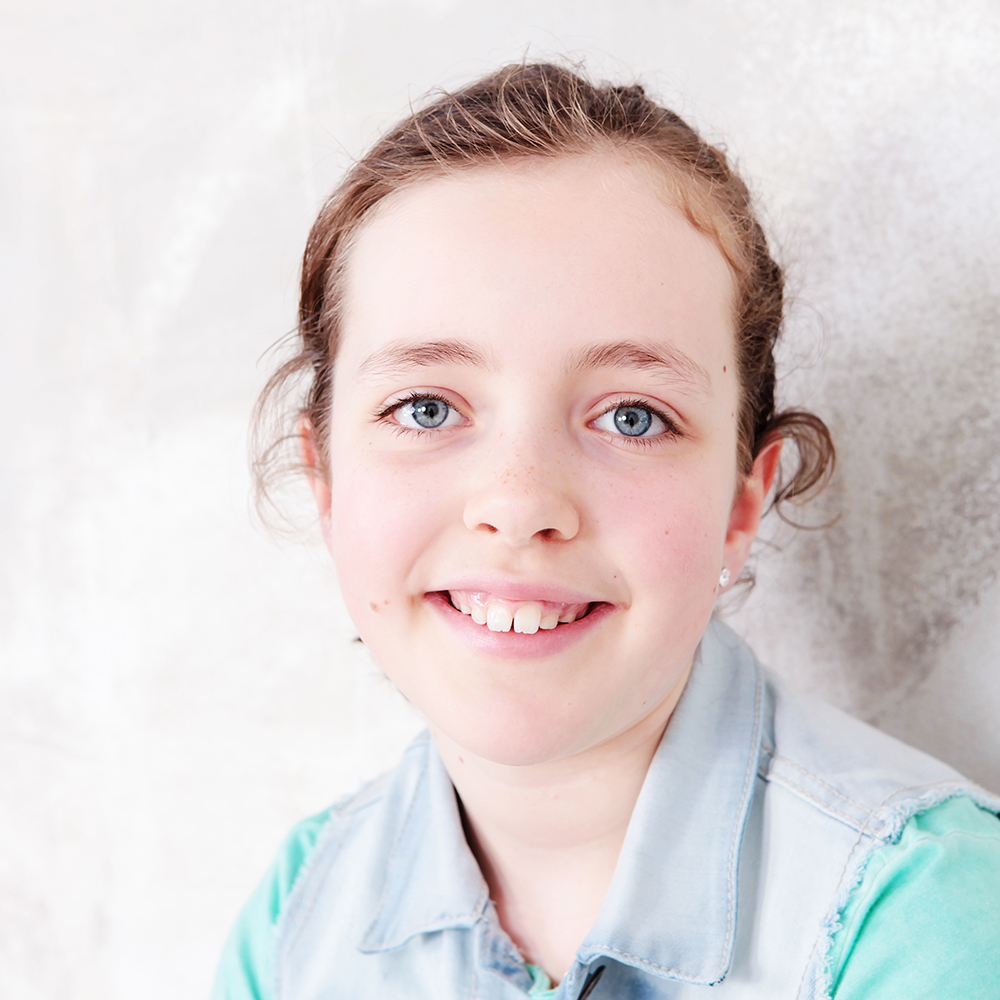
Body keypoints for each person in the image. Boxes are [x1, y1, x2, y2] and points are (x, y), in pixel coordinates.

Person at [212, 63, 1000, 999]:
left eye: (632, 417)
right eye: (426, 408)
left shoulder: (925, 916)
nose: (520, 503)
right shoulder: (296, 923)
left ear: (741, 504)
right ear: (326, 480)